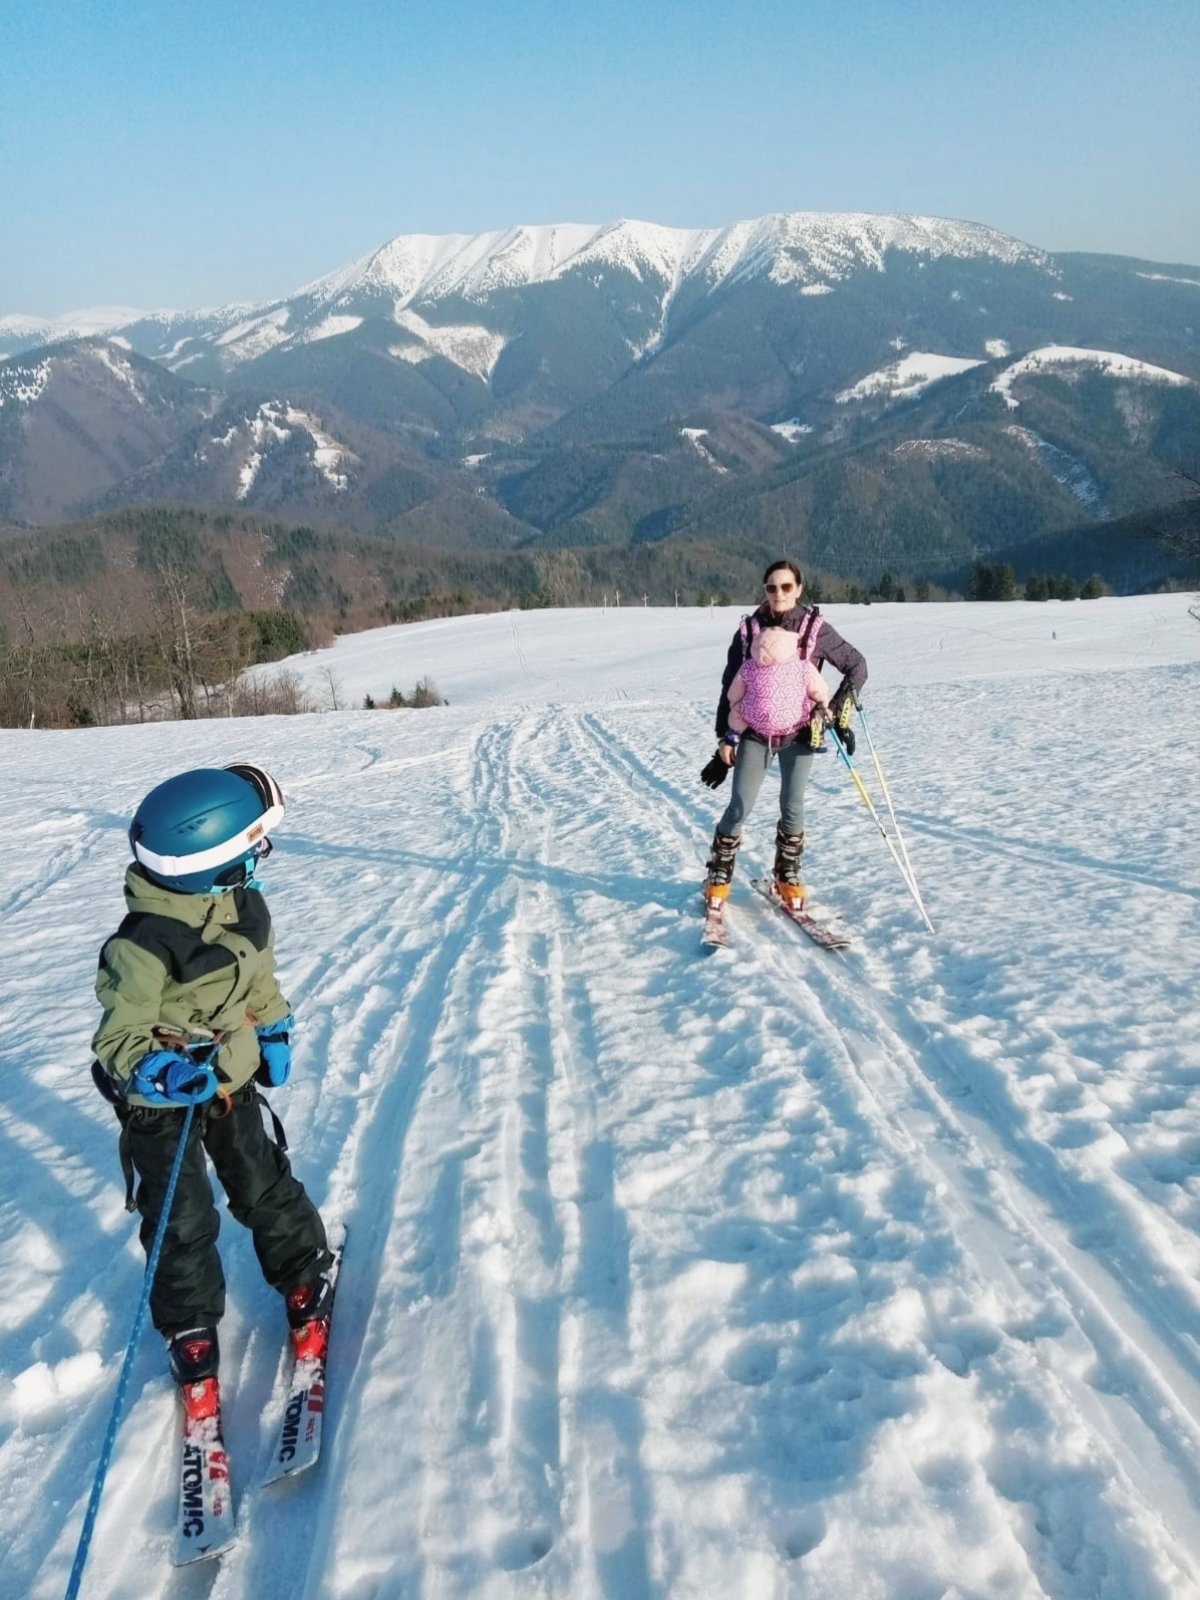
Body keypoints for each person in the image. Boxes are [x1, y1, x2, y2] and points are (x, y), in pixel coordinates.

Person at [91, 762, 332, 1392]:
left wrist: (273, 1028)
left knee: (260, 1180)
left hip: (229, 1081)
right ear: (208, 866)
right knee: (181, 1216)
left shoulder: (243, 904)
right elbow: (118, 1037)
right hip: (161, 1100)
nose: (259, 858)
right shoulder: (141, 946)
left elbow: (258, 978)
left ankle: (305, 1268)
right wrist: (160, 1070)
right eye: (251, 850)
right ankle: (189, 1324)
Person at [700, 560, 867, 908]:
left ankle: (786, 872)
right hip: (753, 733)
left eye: (786, 587)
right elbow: (730, 686)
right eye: (771, 587)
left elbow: (857, 666)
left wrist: (837, 712)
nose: (779, 594)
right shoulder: (749, 631)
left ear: (799, 589)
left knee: (793, 805)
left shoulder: (815, 629)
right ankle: (719, 872)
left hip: (800, 733)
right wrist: (723, 739)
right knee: (740, 806)